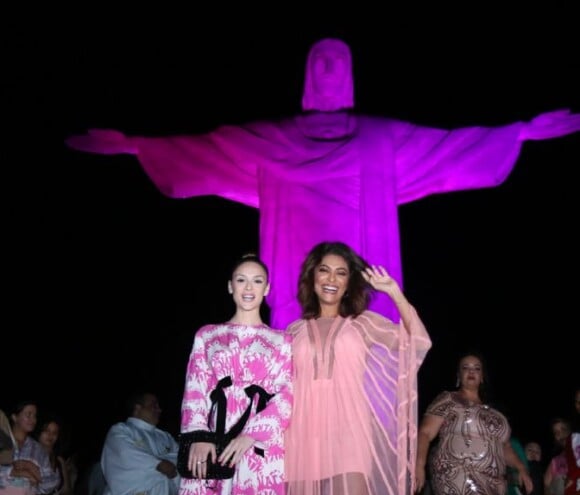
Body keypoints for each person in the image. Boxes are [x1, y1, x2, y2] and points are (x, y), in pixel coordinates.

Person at [65, 37, 580, 330]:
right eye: (321, 62)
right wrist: (135, 145)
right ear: (310, 74)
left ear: (350, 74)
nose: (331, 69)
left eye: (339, 63)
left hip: (365, 280)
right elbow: (208, 147)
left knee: (363, 353)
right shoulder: (276, 137)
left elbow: (448, 146)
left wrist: (523, 132)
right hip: (295, 280)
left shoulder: (380, 137)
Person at [283, 241, 432, 495]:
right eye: (324, 270)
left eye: (341, 272)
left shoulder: (364, 325)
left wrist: (395, 292)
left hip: (349, 434)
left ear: (350, 282)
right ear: (312, 276)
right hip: (303, 438)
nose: (331, 279)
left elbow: (417, 342)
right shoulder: (292, 333)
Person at [157, 254, 293, 495]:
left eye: (257, 280)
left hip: (258, 451)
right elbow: (195, 387)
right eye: (242, 280)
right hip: (209, 445)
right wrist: (199, 435)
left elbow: (287, 395)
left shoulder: (282, 341)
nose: (249, 287)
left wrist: (253, 434)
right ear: (230, 287)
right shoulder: (208, 335)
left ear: (267, 288)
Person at [415, 351, 533, 495]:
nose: (471, 371)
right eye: (466, 367)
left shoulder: (495, 413)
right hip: (456, 469)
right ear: (458, 375)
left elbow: (505, 446)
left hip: (494, 478)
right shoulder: (448, 399)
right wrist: (419, 465)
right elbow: (426, 433)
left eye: (476, 368)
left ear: (482, 377)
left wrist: (521, 469)